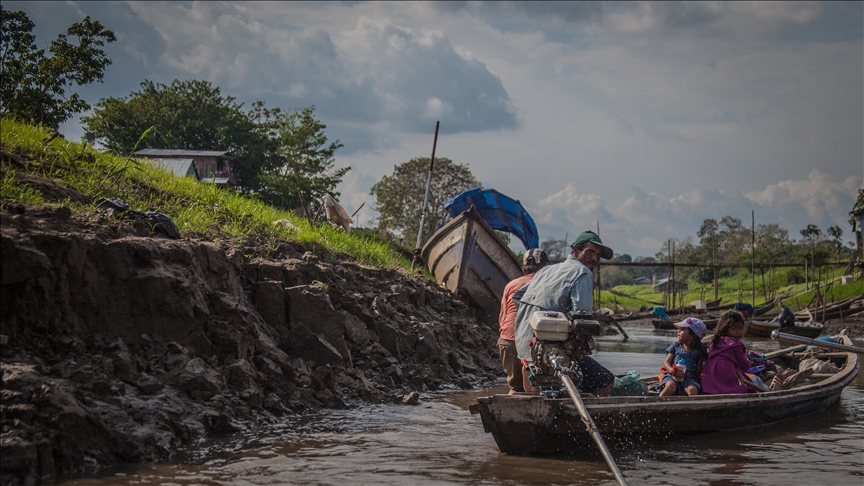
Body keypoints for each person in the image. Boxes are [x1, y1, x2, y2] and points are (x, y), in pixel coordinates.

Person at [513, 230, 616, 396]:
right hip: (549, 350)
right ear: (575, 250)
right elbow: (582, 317)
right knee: (605, 380)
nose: (595, 259)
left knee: (534, 396)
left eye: (598, 255)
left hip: (524, 346)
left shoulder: (546, 270)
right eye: (590, 252)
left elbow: (517, 297)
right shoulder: (583, 272)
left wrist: (538, 316)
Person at [497, 249, 550, 394]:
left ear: (523, 269)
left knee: (515, 387)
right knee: (537, 386)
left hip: (508, 340)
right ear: (547, 267)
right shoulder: (548, 285)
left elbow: (503, 317)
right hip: (533, 343)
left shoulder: (511, 285)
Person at [701, 310, 766, 394]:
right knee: (756, 380)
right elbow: (746, 366)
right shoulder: (735, 345)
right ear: (724, 330)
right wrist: (748, 361)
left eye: (741, 328)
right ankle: (770, 389)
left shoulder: (715, 343)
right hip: (730, 385)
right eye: (734, 328)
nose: (739, 332)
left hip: (710, 385)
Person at [659, 317, 708, 396]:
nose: (678, 331)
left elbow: (698, 369)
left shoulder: (699, 351)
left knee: (692, 390)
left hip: (689, 379)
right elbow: (666, 362)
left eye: (682, 329)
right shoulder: (676, 346)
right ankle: (658, 405)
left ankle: (692, 407)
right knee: (670, 386)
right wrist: (672, 371)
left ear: (693, 334)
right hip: (672, 376)